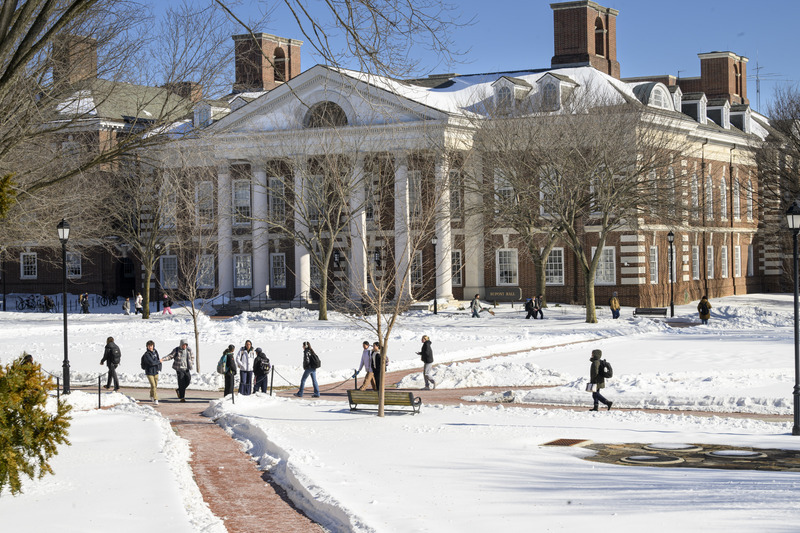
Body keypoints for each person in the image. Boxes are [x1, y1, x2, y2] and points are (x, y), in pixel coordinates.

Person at [140, 340, 162, 405]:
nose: (150, 347)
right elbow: (151, 362)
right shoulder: (146, 355)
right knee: (153, 385)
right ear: (147, 346)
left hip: (156, 371)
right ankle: (155, 398)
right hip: (149, 372)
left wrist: (159, 368)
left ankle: (151, 395)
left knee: (155, 385)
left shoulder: (155, 352)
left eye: (151, 346)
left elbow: (158, 359)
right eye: (149, 346)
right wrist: (159, 362)